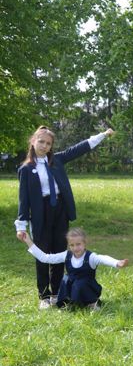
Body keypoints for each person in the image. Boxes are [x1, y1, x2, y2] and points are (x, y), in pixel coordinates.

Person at [16, 125, 114, 309]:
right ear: (33, 141)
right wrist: (20, 226)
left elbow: (79, 148)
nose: (44, 146)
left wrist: (102, 135)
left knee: (60, 252)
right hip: (40, 213)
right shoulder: (26, 169)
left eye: (48, 143)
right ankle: (43, 296)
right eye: (41, 141)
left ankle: (56, 293)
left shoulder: (57, 160)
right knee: (42, 253)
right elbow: (23, 199)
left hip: (60, 209)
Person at [17, 228, 128, 311]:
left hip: (87, 288)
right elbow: (45, 258)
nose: (75, 248)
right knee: (66, 279)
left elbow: (103, 258)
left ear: (85, 243)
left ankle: (92, 303)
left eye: (78, 244)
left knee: (80, 283)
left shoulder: (91, 257)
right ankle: (69, 303)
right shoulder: (67, 255)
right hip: (73, 288)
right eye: (72, 245)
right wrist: (28, 241)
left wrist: (117, 263)